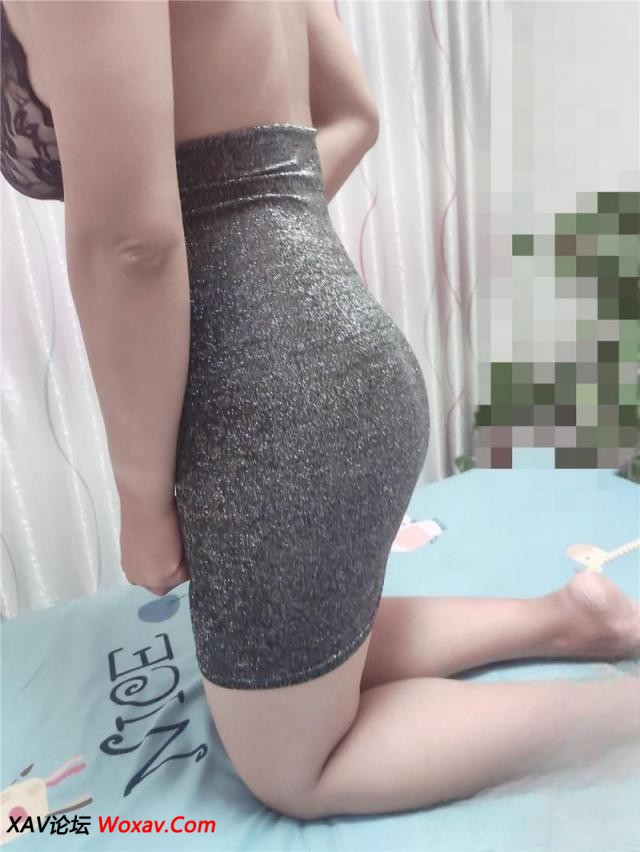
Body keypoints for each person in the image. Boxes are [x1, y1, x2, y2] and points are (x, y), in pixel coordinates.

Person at [2, 0, 639, 823]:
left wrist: (142, 505)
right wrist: (262, 239)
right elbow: (354, 117)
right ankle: (566, 619)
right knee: (304, 656)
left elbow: (132, 245)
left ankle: (619, 716)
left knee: (295, 769)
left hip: (268, 413)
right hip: (346, 360)